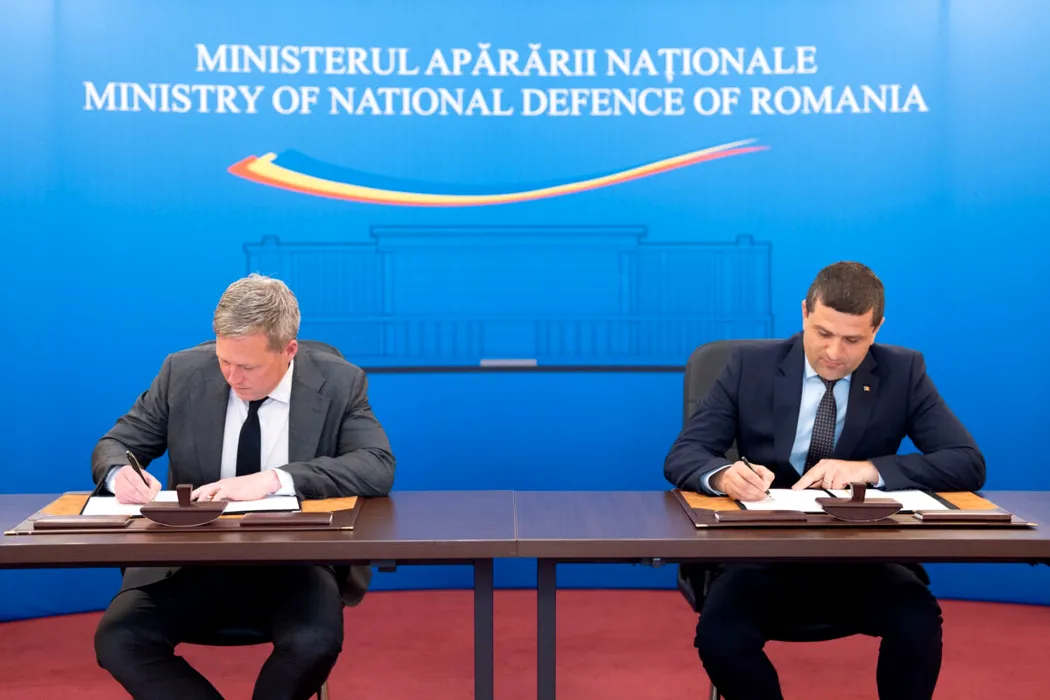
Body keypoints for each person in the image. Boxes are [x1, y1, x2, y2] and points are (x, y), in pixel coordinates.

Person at [664, 261, 984, 700]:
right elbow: (685, 454)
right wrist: (723, 476)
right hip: (760, 558)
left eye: (853, 340)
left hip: (860, 559)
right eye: (823, 333)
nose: (834, 352)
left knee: (918, 620)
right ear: (804, 313)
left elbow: (966, 462)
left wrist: (869, 470)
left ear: (876, 329)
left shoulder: (903, 372)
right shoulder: (749, 366)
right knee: (721, 636)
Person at [91, 273, 395, 700]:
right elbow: (117, 445)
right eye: (224, 361)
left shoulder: (339, 382)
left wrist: (275, 479)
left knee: (314, 642)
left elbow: (376, 465)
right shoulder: (182, 372)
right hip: (188, 563)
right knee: (120, 639)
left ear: (289, 351)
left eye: (248, 367)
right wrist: (119, 474)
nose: (232, 377)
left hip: (294, 564)